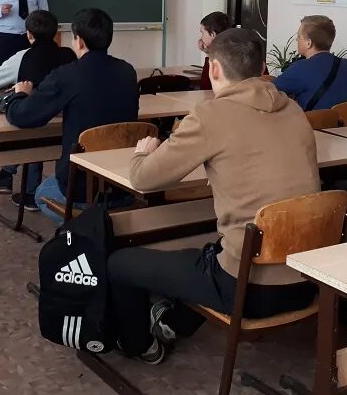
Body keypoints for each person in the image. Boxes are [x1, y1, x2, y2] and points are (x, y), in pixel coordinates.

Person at [107, 28, 319, 365]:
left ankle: (138, 345)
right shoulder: (292, 110)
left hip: (249, 287)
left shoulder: (210, 116)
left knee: (119, 263)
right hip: (309, 279)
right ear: (263, 66)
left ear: (214, 69)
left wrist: (142, 152)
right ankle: (172, 321)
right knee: (213, 248)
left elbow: (143, 179)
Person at [5, 8, 138, 222]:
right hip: (123, 183)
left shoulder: (68, 75)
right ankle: (102, 225)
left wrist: (19, 96)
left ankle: (83, 232)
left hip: (81, 190)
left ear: (79, 42)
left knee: (41, 194)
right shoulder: (128, 71)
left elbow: (22, 117)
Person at [0, 10, 76, 208]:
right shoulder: (69, 54)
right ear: (56, 32)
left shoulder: (24, 56)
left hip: (34, 123)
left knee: (25, 121)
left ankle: (26, 188)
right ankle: (11, 178)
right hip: (66, 123)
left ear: (29, 34)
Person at [274, 15, 347, 110]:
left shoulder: (302, 68)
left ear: (308, 43)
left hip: (315, 124)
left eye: (299, 36)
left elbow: (269, 93)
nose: (297, 40)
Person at [197, 12, 232, 90]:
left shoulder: (219, 59)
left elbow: (205, 88)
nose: (201, 37)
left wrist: (208, 54)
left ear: (212, 34)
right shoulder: (234, 50)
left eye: (202, 33)